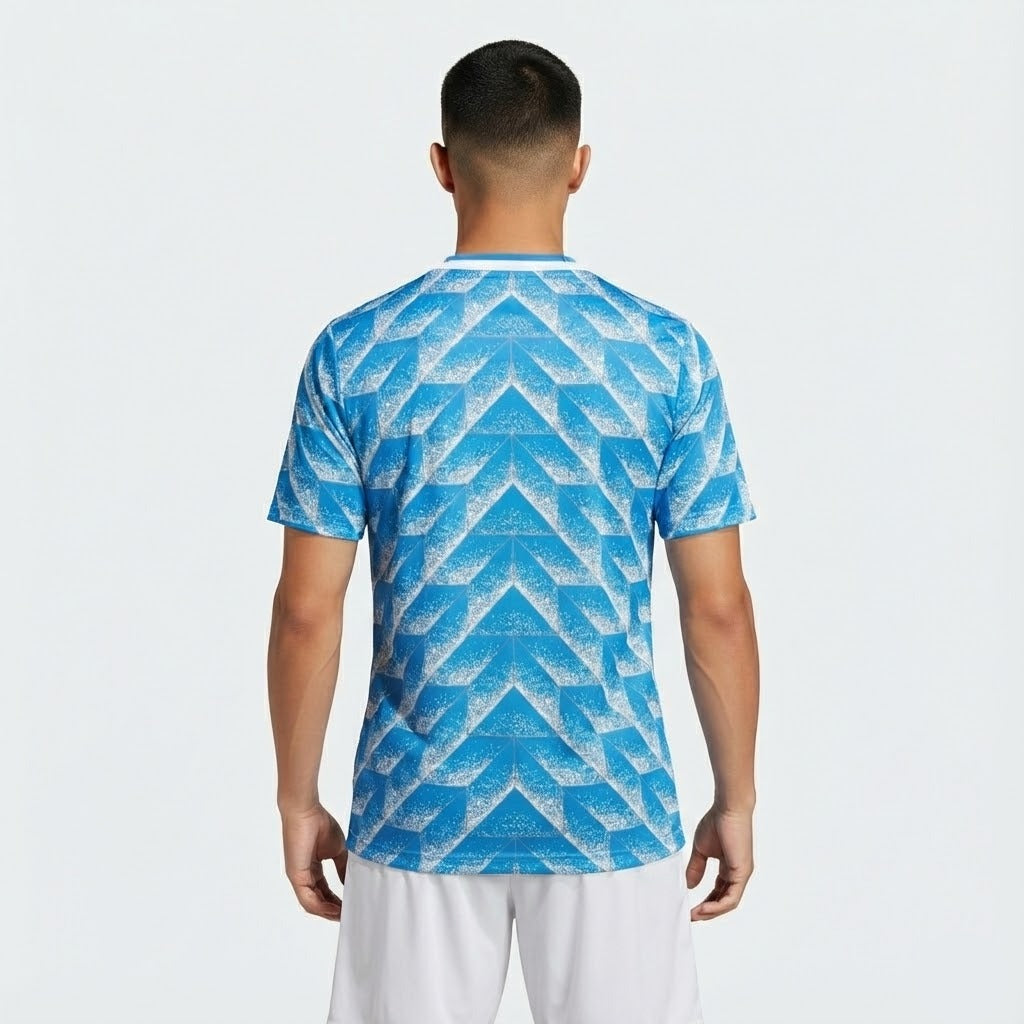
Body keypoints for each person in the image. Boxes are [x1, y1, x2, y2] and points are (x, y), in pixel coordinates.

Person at [266, 38, 760, 1024]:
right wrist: (735, 796)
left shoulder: (356, 352)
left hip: (418, 805)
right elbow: (717, 606)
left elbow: (307, 610)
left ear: (442, 165)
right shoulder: (665, 354)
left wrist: (297, 797)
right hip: (609, 801)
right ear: (579, 165)